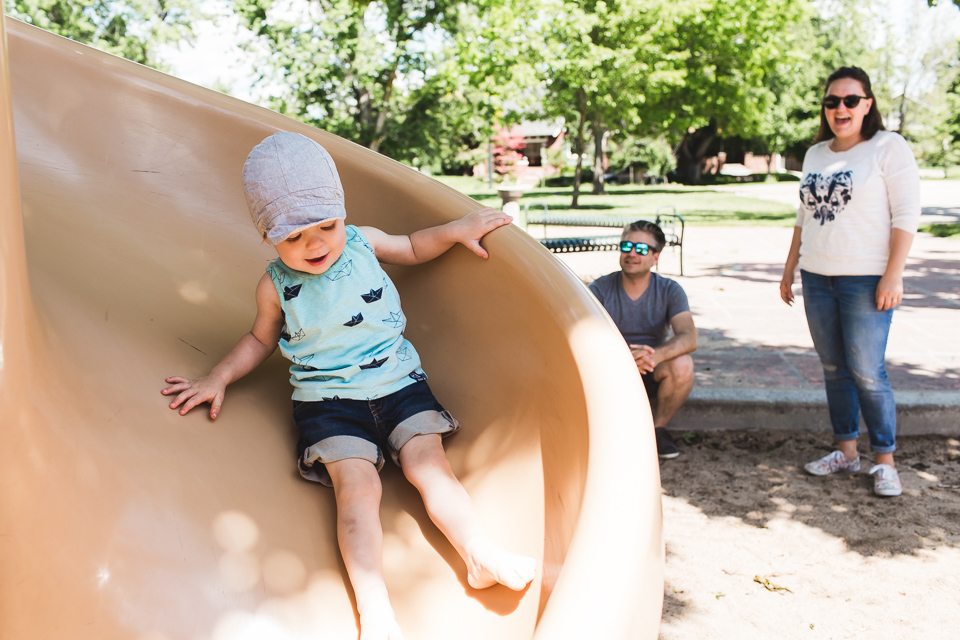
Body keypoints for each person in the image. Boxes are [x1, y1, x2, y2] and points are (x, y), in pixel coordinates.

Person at [162, 132, 535, 640]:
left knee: (431, 467)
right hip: (329, 403)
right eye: (293, 237)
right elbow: (258, 339)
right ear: (267, 235)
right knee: (358, 491)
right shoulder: (274, 286)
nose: (314, 244)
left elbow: (412, 246)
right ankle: (375, 611)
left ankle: (478, 553)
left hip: (399, 382)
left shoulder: (363, 241)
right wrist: (217, 376)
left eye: (325, 227)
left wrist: (457, 228)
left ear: (341, 215)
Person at [780, 66, 920, 498]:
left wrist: (892, 274)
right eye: (832, 101)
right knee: (834, 368)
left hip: (866, 277)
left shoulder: (887, 147)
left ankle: (884, 460)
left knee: (867, 371)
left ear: (867, 104)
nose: (840, 108)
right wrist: (789, 269)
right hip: (817, 275)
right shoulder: (815, 154)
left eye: (850, 100)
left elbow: (906, 214)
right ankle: (845, 451)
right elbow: (804, 216)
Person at [589, 220, 697, 459]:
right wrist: (625, 359)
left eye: (641, 249)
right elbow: (583, 336)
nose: (631, 253)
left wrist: (654, 355)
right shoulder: (600, 289)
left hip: (651, 366)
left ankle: (658, 431)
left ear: (655, 257)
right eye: (627, 245)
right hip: (611, 369)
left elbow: (689, 337)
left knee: (683, 364)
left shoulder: (670, 290)